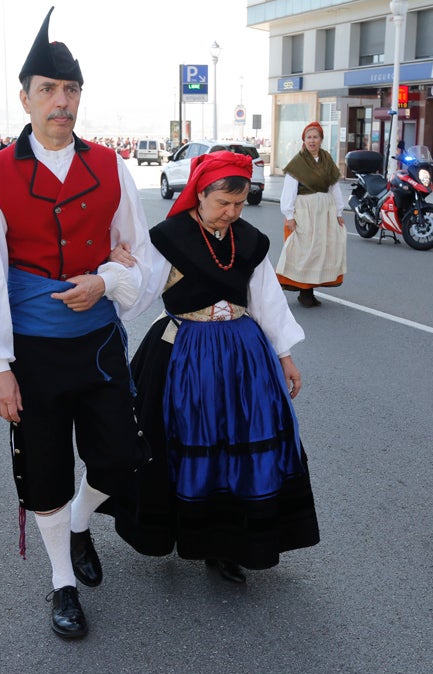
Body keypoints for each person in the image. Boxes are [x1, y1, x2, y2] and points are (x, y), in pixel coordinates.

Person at [0, 6, 152, 640]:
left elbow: (139, 256)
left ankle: (80, 523)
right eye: (48, 91)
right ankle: (62, 580)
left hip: (97, 344)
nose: (61, 102)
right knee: (44, 471)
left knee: (121, 458)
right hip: (32, 353)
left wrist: (108, 280)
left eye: (70, 91)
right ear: (25, 99)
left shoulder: (112, 166)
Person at [108, 150, 320, 584]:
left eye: (239, 204)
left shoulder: (250, 241)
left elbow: (267, 302)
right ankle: (193, 536)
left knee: (242, 446)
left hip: (244, 356)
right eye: (224, 202)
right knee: (191, 444)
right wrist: (113, 269)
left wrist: (285, 356)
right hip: (190, 357)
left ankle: (229, 546)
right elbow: (137, 296)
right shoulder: (169, 238)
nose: (232, 213)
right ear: (200, 194)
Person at [275, 121, 347, 308]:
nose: (312, 141)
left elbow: (334, 187)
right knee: (305, 250)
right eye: (309, 137)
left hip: (324, 210)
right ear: (304, 140)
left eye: (315, 137)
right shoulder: (298, 163)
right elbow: (289, 191)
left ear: (321, 140)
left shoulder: (327, 160)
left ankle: (310, 290)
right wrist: (289, 215)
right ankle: (304, 292)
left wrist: (339, 211)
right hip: (305, 210)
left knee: (321, 250)